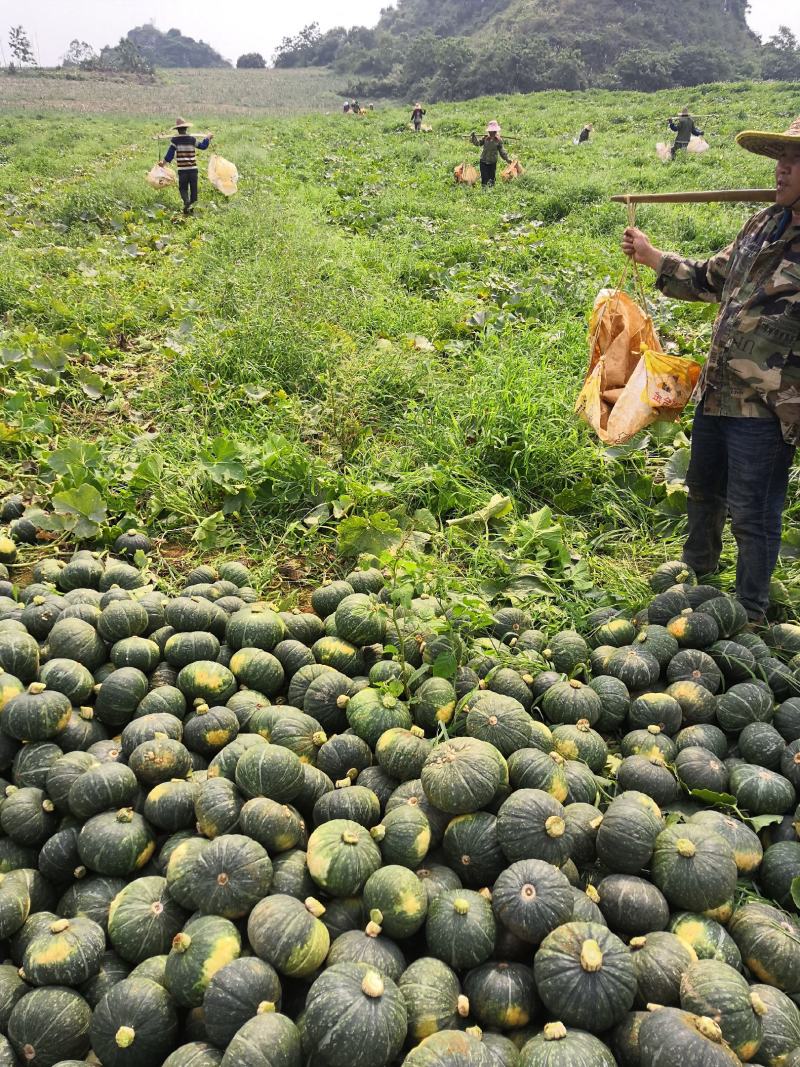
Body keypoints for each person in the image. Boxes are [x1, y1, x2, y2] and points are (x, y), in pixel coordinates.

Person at [621, 116, 800, 624]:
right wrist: (654, 257)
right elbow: (709, 279)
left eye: (795, 161)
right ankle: (697, 577)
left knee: (754, 512)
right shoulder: (763, 223)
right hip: (718, 393)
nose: (781, 170)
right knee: (703, 491)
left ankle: (750, 611)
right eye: (780, 158)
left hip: (767, 407)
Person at [162, 118, 212, 215]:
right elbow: (203, 146)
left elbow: (169, 156)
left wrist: (163, 163)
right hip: (193, 170)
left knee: (183, 188)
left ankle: (186, 202)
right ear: (186, 128)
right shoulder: (192, 139)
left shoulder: (175, 140)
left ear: (177, 130)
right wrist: (208, 138)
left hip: (182, 171)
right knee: (194, 189)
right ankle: (192, 209)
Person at [471, 121, 511, 187]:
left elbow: (502, 151)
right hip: (483, 161)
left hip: (492, 162)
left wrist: (507, 159)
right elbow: (477, 143)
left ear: (496, 131)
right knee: (484, 177)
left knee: (492, 177)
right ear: (489, 131)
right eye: (490, 131)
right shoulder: (485, 138)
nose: (492, 133)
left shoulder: (498, 140)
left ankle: (491, 190)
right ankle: (484, 190)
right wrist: (473, 137)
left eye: (494, 131)